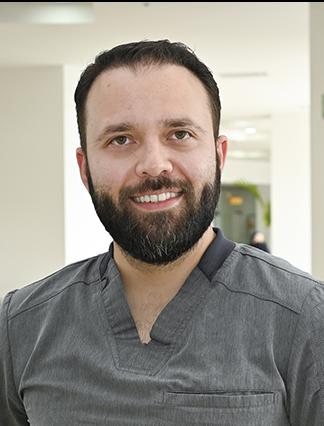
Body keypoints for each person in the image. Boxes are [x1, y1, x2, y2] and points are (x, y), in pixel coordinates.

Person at [0, 40, 323, 426]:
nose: (154, 165)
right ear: (85, 170)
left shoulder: (304, 316)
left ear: (218, 157)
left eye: (180, 134)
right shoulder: (21, 324)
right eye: (121, 139)